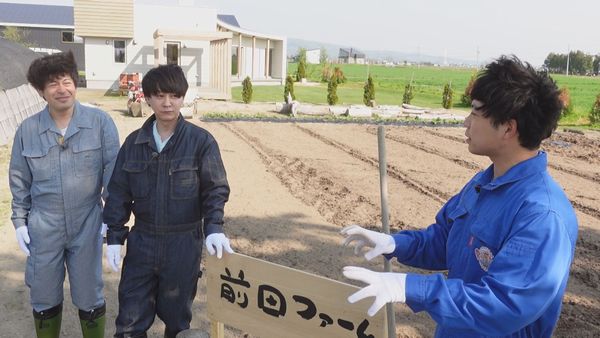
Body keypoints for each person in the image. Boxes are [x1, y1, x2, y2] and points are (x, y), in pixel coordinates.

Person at [341, 55, 578, 337]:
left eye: (475, 113)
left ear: (508, 128)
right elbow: (447, 241)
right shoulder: (485, 182)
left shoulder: (541, 216)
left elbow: (504, 303)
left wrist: (408, 287)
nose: (466, 123)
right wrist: (394, 243)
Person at [103, 64, 234, 338]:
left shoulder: (201, 142)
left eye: (174, 96)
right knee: (129, 321)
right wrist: (114, 236)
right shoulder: (134, 144)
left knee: (177, 321)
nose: (167, 103)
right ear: (147, 98)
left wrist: (214, 226)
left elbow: (215, 189)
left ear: (182, 98)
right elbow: (118, 192)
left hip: (183, 244)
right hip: (143, 242)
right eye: (159, 95)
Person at [9, 51, 120, 338]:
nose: (62, 89)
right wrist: (20, 221)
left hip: (88, 222)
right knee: (43, 294)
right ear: (41, 91)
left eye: (67, 81)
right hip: (44, 225)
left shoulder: (99, 123)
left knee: (89, 294)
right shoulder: (28, 129)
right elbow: (19, 179)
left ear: (76, 83)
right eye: (53, 84)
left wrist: (112, 215)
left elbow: (113, 173)